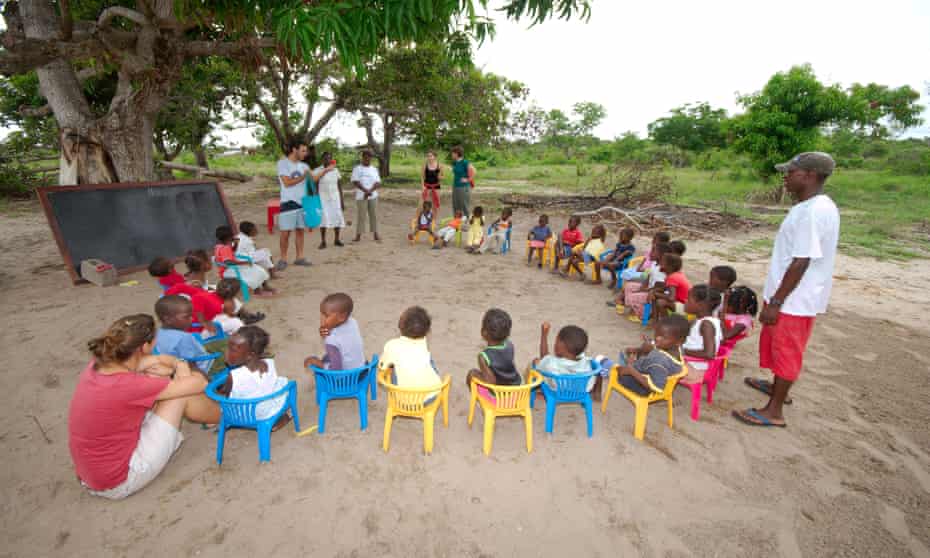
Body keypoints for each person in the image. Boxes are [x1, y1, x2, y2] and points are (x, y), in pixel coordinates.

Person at [734, 152, 839, 428]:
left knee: (787, 351)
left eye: (790, 172)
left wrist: (777, 302)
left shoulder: (814, 212)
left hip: (795, 299)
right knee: (778, 347)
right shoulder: (807, 206)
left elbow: (801, 260)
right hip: (790, 295)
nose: (786, 177)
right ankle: (777, 388)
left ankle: (774, 411)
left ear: (809, 175)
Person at [68, 314, 220, 499]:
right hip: (119, 480)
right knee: (180, 394)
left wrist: (163, 364)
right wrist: (180, 364)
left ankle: (215, 413)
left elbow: (150, 361)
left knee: (160, 379)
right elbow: (199, 384)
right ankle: (224, 416)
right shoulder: (129, 385)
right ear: (144, 347)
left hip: (94, 474)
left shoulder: (99, 365)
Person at [596, 315, 689, 396]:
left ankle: (609, 369)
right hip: (650, 371)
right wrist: (639, 350)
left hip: (644, 388)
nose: (657, 338)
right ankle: (629, 363)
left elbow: (655, 387)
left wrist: (631, 369)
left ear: (679, 341)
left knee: (618, 369)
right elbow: (658, 353)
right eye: (657, 334)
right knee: (632, 353)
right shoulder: (677, 349)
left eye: (663, 337)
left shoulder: (659, 362)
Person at [217, 326, 291, 426]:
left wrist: (222, 390)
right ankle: (279, 417)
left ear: (249, 355)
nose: (226, 352)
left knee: (218, 399)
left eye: (232, 350)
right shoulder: (269, 362)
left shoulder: (234, 376)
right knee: (281, 382)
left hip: (248, 415)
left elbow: (226, 396)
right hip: (267, 404)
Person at [153, 295, 226, 375]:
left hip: (177, 364)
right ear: (168, 319)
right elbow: (191, 364)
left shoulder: (158, 332)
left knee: (225, 343)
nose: (191, 319)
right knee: (232, 353)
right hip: (205, 367)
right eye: (186, 317)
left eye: (191, 315)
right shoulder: (183, 338)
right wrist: (205, 379)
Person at [379, 306, 441, 398]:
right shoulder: (423, 343)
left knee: (391, 369)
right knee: (428, 360)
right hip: (429, 396)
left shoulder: (391, 345)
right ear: (427, 332)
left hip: (402, 399)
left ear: (400, 326)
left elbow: (382, 366)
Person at [531, 322, 600, 399]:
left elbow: (544, 357)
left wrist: (544, 335)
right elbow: (598, 369)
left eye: (556, 341)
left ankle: (532, 389)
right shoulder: (586, 361)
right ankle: (596, 394)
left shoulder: (552, 363)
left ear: (560, 346)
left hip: (558, 391)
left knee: (536, 362)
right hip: (581, 391)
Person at [465, 309, 522, 396]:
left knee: (471, 374)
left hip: (499, 395)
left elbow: (490, 382)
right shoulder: (510, 345)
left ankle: (481, 399)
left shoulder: (484, 356)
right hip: (515, 390)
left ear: (483, 333)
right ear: (508, 334)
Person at [304, 293, 366, 371]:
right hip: (362, 368)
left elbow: (336, 370)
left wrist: (319, 363)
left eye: (326, 315)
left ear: (341, 317)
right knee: (329, 356)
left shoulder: (331, 340)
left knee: (319, 363)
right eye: (321, 314)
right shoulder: (353, 322)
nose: (321, 318)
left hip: (347, 376)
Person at [276, 139, 312, 270]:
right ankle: (283, 259)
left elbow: (311, 180)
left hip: (302, 202)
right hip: (288, 202)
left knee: (300, 231)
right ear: (294, 150)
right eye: (303, 150)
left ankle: (299, 257)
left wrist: (325, 171)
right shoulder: (283, 164)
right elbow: (287, 182)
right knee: (285, 233)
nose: (305, 153)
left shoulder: (305, 166)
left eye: (306, 151)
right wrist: (304, 176)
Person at [214, 225, 273, 297]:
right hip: (228, 270)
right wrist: (244, 262)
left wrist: (236, 244)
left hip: (226, 269)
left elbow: (231, 251)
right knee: (254, 271)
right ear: (229, 237)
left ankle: (263, 287)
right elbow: (228, 262)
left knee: (255, 269)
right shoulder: (225, 248)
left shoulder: (219, 246)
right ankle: (258, 291)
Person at [680, 285, 723, 383]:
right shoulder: (705, 320)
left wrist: (683, 351)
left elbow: (709, 354)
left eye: (689, 299)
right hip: (691, 364)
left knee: (658, 362)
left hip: (694, 371)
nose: (685, 301)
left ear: (700, 305)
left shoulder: (706, 324)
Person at [623, 242, 671, 321]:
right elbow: (648, 275)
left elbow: (661, 286)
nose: (650, 253)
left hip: (656, 294)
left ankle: (644, 315)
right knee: (629, 286)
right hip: (649, 288)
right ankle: (636, 308)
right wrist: (643, 286)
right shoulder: (654, 263)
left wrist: (646, 290)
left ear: (660, 255)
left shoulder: (662, 269)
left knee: (632, 296)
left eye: (653, 251)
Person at [313, 151, 345, 249]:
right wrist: (316, 201)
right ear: (322, 159)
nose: (327, 159)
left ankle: (337, 239)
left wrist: (342, 201)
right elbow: (315, 186)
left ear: (331, 159)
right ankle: (323, 241)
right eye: (325, 158)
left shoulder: (335, 170)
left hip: (335, 198)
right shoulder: (318, 170)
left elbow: (339, 186)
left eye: (329, 158)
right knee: (323, 219)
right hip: (322, 198)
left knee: (337, 218)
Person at [351, 150, 382, 243]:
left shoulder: (374, 169)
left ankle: (376, 234)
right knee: (361, 216)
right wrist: (365, 191)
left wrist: (370, 191)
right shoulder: (357, 168)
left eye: (369, 157)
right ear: (362, 157)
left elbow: (378, 182)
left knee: (374, 215)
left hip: (373, 195)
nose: (368, 158)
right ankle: (358, 235)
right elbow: (355, 181)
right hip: (361, 196)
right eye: (366, 157)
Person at [651, 253, 692, 321]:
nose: (660, 263)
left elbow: (671, 298)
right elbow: (663, 288)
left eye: (662, 262)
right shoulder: (675, 275)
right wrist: (653, 292)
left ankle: (666, 323)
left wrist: (655, 293)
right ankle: (655, 321)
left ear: (669, 266)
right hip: (683, 303)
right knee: (655, 296)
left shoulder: (672, 277)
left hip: (686, 307)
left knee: (661, 302)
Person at [450, 145, 475, 218]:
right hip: (455, 186)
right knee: (455, 205)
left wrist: (467, 179)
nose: (452, 155)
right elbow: (457, 172)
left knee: (464, 205)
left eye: (453, 153)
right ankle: (456, 221)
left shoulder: (465, 162)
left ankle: (466, 221)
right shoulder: (455, 162)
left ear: (457, 153)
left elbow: (474, 171)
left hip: (464, 187)